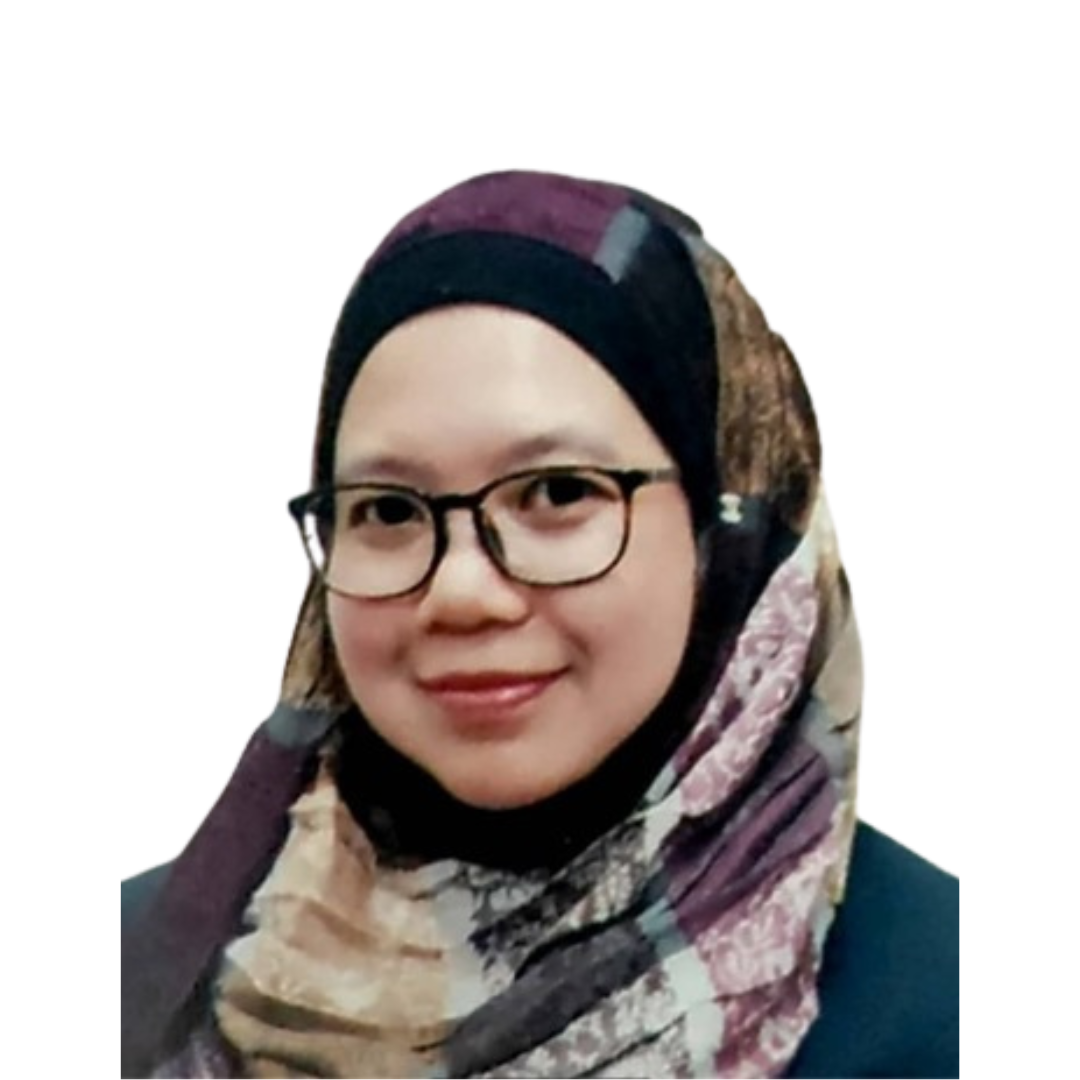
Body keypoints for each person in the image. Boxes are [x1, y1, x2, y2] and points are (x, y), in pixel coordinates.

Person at [121, 170, 958, 1079]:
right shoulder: (140, 976)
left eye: (558, 493)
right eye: (388, 509)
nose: (462, 594)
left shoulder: (945, 1004)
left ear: (728, 528)